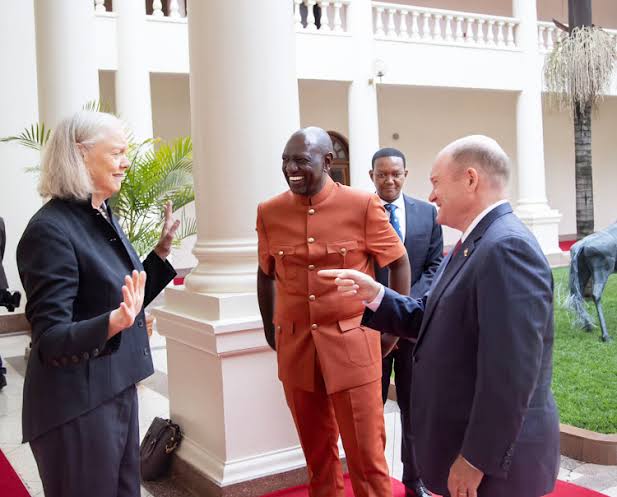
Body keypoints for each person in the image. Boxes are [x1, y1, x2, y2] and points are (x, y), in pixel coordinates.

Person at [320, 135, 560, 497]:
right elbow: (435, 318)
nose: (430, 195)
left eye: (435, 182)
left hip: (498, 471)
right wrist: (376, 295)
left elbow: (510, 373)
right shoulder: (474, 241)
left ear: (470, 179)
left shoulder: (506, 247)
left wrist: (476, 459)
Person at [16, 111, 179, 497]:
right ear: (80, 154)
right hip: (76, 408)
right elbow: (51, 339)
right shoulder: (50, 231)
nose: (126, 162)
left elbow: (122, 296)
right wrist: (112, 323)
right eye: (117, 152)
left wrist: (159, 253)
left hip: (113, 389)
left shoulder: (99, 214)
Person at [256, 127, 411, 497]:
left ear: (327, 162)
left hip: (353, 345)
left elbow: (399, 262)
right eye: (285, 160)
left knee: (367, 459)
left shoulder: (362, 205)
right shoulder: (270, 211)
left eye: (301, 160)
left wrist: (393, 325)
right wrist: (270, 327)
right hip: (297, 350)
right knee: (317, 460)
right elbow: (265, 275)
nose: (290, 168)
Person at [370, 148, 443, 497]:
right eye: (382, 174)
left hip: (415, 330)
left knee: (416, 410)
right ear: (372, 176)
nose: (389, 180)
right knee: (372, 412)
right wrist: (385, 310)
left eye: (395, 173)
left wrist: (406, 305)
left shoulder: (427, 214)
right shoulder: (361, 212)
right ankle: (375, 481)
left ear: (405, 173)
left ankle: (415, 481)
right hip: (373, 330)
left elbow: (433, 266)